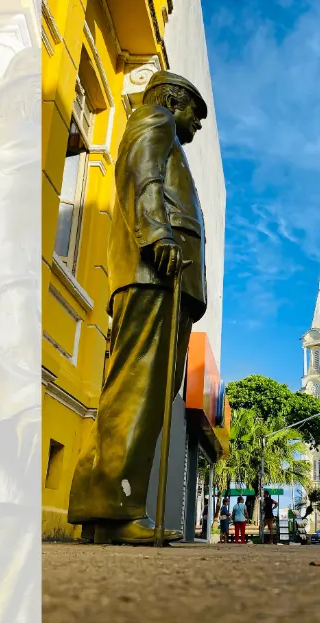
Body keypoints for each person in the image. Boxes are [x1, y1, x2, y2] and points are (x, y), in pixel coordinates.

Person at [67, 70, 210, 545]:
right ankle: (113, 507)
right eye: (195, 111)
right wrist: (158, 232)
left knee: (145, 390)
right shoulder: (155, 119)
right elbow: (142, 173)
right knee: (138, 388)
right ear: (173, 99)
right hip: (155, 274)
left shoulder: (170, 135)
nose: (196, 125)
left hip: (167, 279)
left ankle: (107, 507)